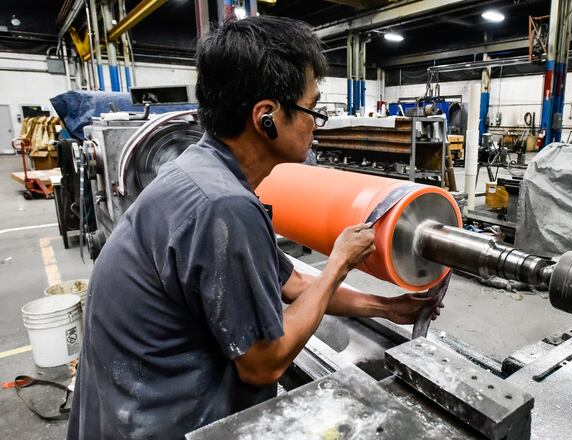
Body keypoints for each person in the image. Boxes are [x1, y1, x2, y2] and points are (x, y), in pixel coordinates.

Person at [67, 16, 441, 439]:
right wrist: (339, 262)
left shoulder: (196, 170)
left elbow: (294, 282)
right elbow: (264, 363)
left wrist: (389, 308)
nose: (316, 122)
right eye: (311, 108)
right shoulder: (224, 207)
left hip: (126, 405)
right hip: (166, 420)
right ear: (266, 117)